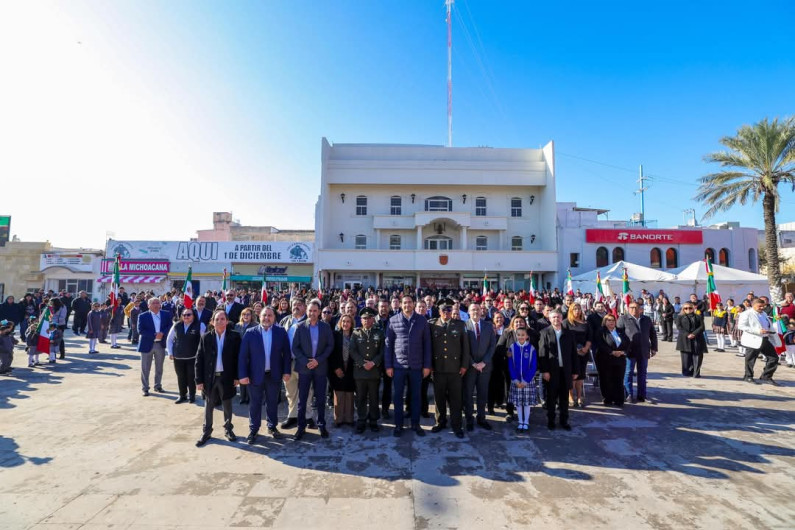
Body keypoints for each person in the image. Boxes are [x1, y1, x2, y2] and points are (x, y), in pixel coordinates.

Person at [238, 307, 292, 443]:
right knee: (255, 403)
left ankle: (272, 426)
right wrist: (243, 375)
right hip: (255, 375)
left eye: (269, 315)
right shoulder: (250, 333)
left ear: (274, 317)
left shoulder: (280, 332)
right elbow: (243, 356)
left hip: (274, 375)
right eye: (264, 315)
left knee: (272, 402)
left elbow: (286, 354)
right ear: (259, 316)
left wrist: (286, 371)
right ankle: (254, 429)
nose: (267, 318)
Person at [384, 295, 431, 438]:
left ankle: (415, 424)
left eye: (410, 302)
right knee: (398, 397)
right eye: (404, 303)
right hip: (398, 366)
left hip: (416, 366)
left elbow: (427, 344)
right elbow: (388, 345)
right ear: (400, 304)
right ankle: (398, 425)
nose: (407, 305)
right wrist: (388, 366)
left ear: (414, 304)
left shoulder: (422, 320)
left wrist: (427, 366)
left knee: (416, 396)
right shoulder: (393, 320)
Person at [195, 310, 241, 447]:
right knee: (208, 405)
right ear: (212, 322)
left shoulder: (235, 337)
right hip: (210, 378)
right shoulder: (206, 337)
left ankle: (228, 429)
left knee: (227, 404)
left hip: (227, 377)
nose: (220, 321)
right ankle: (207, 431)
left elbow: (238, 358)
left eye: (222, 319)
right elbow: (199, 359)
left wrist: (237, 377)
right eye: (217, 319)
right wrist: (199, 380)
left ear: (227, 321)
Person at [292, 298, 334, 440]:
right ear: (306, 311)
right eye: (310, 310)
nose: (312, 313)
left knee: (320, 399)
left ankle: (321, 425)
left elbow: (330, 346)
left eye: (315, 311)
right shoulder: (300, 327)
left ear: (319, 312)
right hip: (304, 369)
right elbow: (295, 347)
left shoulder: (325, 327)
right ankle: (301, 427)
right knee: (302, 400)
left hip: (320, 368)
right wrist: (306, 361)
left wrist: (318, 360)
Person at [428, 298, 470, 439]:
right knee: (439, 398)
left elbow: (465, 348)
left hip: (455, 369)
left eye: (449, 309)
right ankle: (440, 422)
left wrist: (464, 366)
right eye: (443, 310)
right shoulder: (432, 325)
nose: (446, 312)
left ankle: (456, 425)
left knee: (456, 399)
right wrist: (430, 366)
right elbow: (429, 347)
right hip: (438, 369)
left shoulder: (460, 325)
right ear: (439, 311)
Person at [538, 310, 577, 430]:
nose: (556, 319)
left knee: (564, 397)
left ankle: (564, 421)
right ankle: (551, 420)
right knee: (551, 397)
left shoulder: (569, 333)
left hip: (565, 370)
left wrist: (575, 370)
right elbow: (542, 353)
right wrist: (544, 371)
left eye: (558, 317)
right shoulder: (544, 332)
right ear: (550, 319)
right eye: (553, 317)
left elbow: (574, 353)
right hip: (551, 371)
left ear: (562, 318)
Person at [280, 297, 314, 430]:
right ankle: (293, 416)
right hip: (288, 362)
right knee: (290, 391)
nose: (296, 307)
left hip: (304, 362)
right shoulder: (285, 321)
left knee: (307, 391)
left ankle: (307, 416)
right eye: (294, 304)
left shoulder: (310, 321)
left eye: (299, 304)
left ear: (305, 307)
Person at [350, 307, 384, 433]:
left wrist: (373, 362)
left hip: (374, 372)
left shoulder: (379, 333)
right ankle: (361, 420)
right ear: (361, 320)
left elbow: (382, 351)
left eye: (369, 318)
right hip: (360, 372)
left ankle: (374, 420)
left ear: (373, 319)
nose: (366, 320)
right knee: (361, 398)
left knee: (374, 398)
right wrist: (363, 363)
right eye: (364, 318)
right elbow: (352, 351)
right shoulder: (356, 333)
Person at [464, 303, 495, 431]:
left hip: (485, 367)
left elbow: (492, 346)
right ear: (468, 312)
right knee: (468, 395)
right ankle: (469, 420)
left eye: (477, 309)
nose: (475, 312)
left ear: (481, 311)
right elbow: (463, 347)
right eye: (473, 310)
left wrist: (484, 362)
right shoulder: (464, 326)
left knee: (482, 394)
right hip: (470, 367)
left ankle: (481, 418)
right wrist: (472, 363)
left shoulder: (488, 326)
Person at [618, 301, 658, 403]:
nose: (633, 309)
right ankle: (629, 394)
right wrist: (622, 348)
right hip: (629, 351)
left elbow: (652, 334)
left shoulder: (646, 319)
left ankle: (642, 395)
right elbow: (618, 334)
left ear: (640, 309)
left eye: (636, 307)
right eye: (631, 307)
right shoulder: (623, 319)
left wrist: (654, 348)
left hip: (643, 351)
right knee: (628, 373)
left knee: (642, 374)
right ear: (628, 308)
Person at [738, 298, 781, 385]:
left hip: (764, 339)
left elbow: (767, 323)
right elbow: (741, 326)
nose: (762, 308)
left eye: (763, 306)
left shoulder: (764, 313)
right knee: (750, 359)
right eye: (760, 306)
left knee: (774, 358)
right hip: (753, 339)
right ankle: (748, 376)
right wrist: (758, 331)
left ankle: (766, 376)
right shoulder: (746, 314)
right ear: (753, 305)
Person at [166, 307, 205, 404]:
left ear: (193, 315)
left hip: (193, 357)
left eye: (188, 314)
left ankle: (192, 396)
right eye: (184, 315)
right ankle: (182, 395)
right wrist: (170, 352)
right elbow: (169, 339)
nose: (186, 316)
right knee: (181, 377)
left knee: (191, 377)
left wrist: (202, 355)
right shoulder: (176, 325)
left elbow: (204, 341)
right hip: (178, 357)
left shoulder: (200, 325)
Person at [137, 297, 172, 396]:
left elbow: (170, 326)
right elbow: (140, 330)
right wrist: (154, 335)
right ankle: (145, 388)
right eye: (154, 303)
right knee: (145, 368)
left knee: (159, 367)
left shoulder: (166, 314)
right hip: (147, 344)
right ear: (149, 305)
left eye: (158, 303)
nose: (156, 305)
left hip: (160, 345)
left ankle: (158, 385)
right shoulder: (143, 316)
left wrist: (162, 333)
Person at [507, 326, 538, 431]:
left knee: (527, 403)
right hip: (516, 381)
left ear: (527, 336)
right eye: (518, 335)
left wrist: (526, 380)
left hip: (527, 381)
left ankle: (526, 422)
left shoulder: (531, 348)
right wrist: (515, 379)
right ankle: (520, 421)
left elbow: (533, 366)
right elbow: (510, 365)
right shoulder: (512, 347)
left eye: (523, 335)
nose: (521, 337)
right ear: (516, 336)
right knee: (519, 403)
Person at [594, 314, 629, 407]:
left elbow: (627, 342)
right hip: (605, 359)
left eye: (613, 320)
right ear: (605, 322)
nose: (611, 322)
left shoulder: (620, 331)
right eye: (609, 320)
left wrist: (623, 352)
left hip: (620, 359)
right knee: (606, 379)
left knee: (618, 379)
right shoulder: (601, 331)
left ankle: (619, 400)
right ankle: (607, 399)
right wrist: (612, 352)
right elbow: (600, 344)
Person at [562, 303, 592, 408]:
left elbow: (589, 338)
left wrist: (585, 348)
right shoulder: (566, 323)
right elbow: (563, 338)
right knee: (572, 376)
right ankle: (571, 397)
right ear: (570, 310)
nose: (577, 311)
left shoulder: (586, 323)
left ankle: (579, 397)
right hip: (570, 354)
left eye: (579, 309)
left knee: (580, 376)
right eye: (575, 309)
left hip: (583, 353)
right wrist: (574, 350)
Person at [329, 314, 357, 427]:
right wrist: (335, 368)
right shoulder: (335, 335)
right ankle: (338, 419)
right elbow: (331, 353)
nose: (345, 324)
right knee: (339, 393)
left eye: (348, 321)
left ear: (351, 323)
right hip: (338, 367)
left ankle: (349, 419)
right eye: (343, 321)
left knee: (349, 394)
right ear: (340, 323)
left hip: (351, 367)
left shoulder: (355, 335)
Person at [234, 308, 258, 405]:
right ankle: (242, 396)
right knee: (242, 374)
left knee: (249, 375)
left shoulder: (256, 325)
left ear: (252, 315)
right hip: (240, 353)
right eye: (244, 314)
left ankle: (249, 397)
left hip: (251, 354)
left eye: (248, 314)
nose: (246, 316)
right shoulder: (237, 325)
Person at [487, 312, 507, 415]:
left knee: (501, 384)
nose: (499, 319)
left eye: (501, 317)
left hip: (502, 363)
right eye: (497, 318)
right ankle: (490, 406)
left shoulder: (505, 332)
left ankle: (499, 402)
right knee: (491, 386)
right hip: (490, 364)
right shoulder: (489, 330)